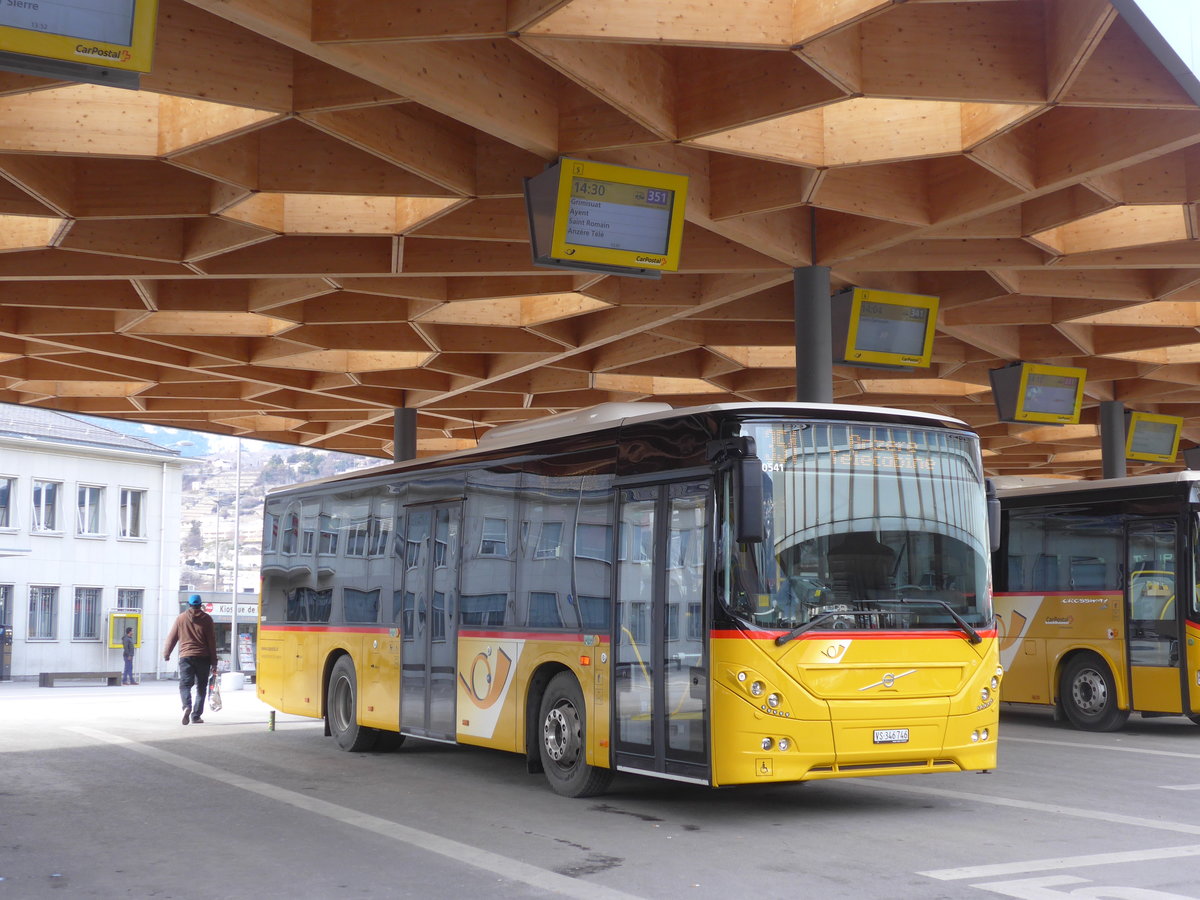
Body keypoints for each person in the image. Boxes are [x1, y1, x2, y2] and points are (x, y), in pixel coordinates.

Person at [163, 594, 218, 725]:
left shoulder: (181, 618)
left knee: (185, 685)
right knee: (201, 687)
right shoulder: (207, 619)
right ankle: (196, 716)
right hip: (203, 658)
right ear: (201, 604)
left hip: (186, 656)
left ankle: (186, 706)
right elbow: (212, 642)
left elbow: (172, 637)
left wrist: (167, 653)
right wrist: (214, 662)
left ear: (189, 604)